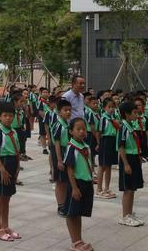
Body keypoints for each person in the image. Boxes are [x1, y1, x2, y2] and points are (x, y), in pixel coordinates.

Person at [0, 101, 21, 242]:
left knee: (7, 198)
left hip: (12, 166)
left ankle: (6, 225)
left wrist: (17, 167)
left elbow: (17, 152)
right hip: (2, 166)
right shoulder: (0, 132)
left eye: (11, 115)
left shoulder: (13, 132)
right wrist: (1, 169)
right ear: (0, 116)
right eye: (5, 115)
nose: (8, 118)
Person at [63, 118, 94, 251]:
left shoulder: (86, 146)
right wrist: (74, 188)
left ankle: (79, 239)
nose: (82, 132)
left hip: (86, 183)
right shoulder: (72, 148)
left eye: (84, 129)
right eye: (78, 129)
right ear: (71, 131)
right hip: (76, 184)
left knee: (79, 212)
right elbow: (69, 169)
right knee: (71, 213)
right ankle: (74, 242)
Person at [117, 101, 144, 227]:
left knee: (133, 188)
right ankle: (125, 216)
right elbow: (121, 147)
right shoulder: (123, 127)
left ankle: (129, 213)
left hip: (133, 157)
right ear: (126, 114)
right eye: (134, 112)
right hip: (127, 158)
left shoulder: (130, 125)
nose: (136, 114)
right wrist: (126, 164)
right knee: (127, 188)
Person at [52, 99, 72, 216]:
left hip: (67, 152)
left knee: (66, 180)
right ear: (59, 112)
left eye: (69, 110)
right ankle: (60, 206)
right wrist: (59, 160)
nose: (68, 112)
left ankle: (66, 203)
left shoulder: (68, 124)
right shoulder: (58, 125)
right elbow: (57, 143)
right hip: (60, 153)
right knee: (60, 181)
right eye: (65, 110)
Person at [96, 97, 118, 199]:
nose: (111, 109)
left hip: (112, 141)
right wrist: (99, 143)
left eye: (113, 107)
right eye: (109, 107)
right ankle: (99, 189)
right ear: (104, 108)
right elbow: (99, 132)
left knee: (108, 166)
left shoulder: (113, 118)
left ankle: (107, 188)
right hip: (105, 141)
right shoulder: (103, 119)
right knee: (102, 166)